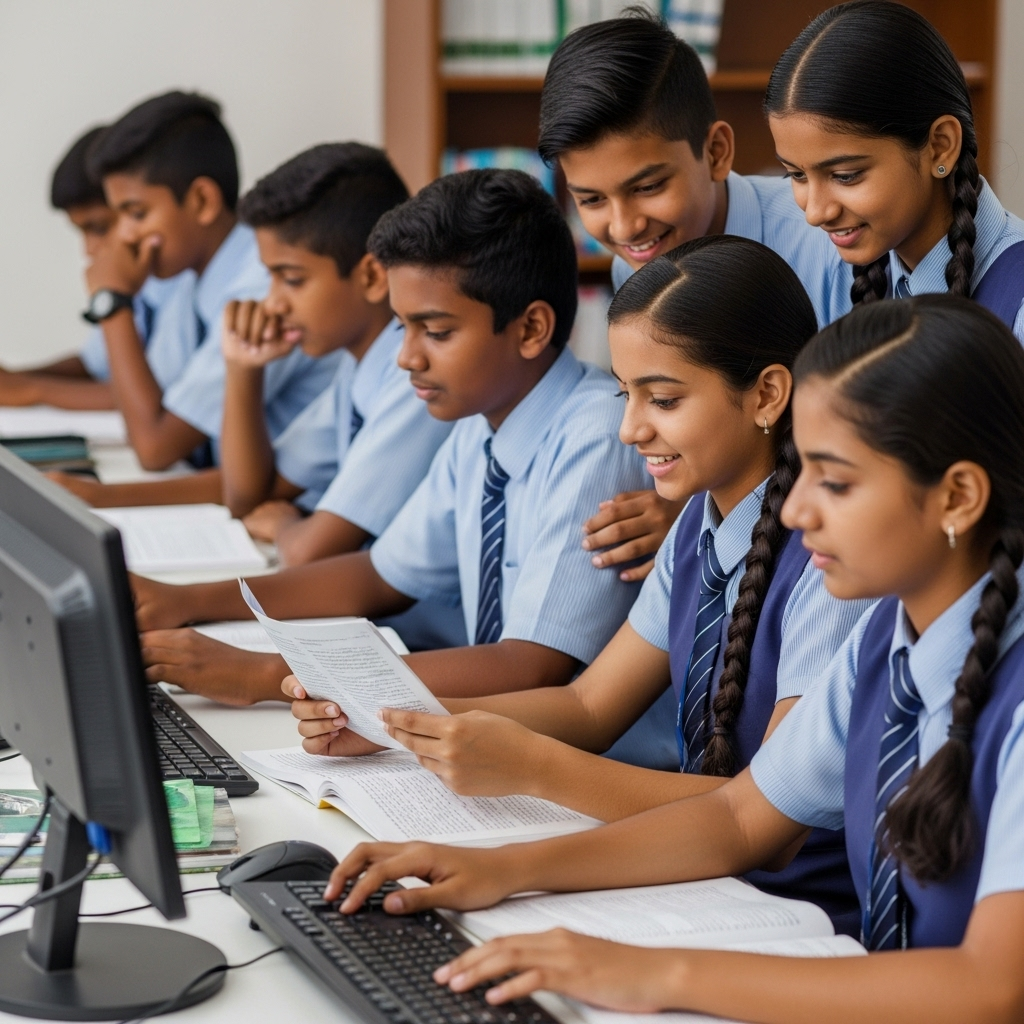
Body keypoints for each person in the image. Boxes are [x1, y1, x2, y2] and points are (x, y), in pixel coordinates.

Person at [328, 295, 1024, 1022]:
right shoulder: (886, 637)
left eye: (836, 482)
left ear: (958, 497)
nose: (793, 510)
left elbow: (993, 989)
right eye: (804, 471)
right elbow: (736, 816)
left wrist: (655, 975)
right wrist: (504, 871)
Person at [289, 236, 873, 923]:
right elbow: (592, 706)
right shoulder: (694, 527)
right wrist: (390, 725)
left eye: (663, 399)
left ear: (768, 394)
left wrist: (535, 766)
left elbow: (759, 819)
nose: (630, 429)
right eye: (627, 394)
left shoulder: (830, 568)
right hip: (690, 878)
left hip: (789, 915)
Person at [135, 169, 649, 712]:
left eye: (436, 332)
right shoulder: (480, 424)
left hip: (590, 766)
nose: (406, 357)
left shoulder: (595, 437)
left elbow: (531, 664)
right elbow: (377, 574)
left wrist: (269, 676)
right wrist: (186, 602)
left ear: (530, 329)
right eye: (403, 327)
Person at [539, 8, 852, 583]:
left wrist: (700, 511)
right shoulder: (635, 267)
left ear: (716, 152)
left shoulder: (827, 244)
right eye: (591, 200)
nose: (625, 225)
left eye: (649, 187)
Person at [65, 90, 339, 472]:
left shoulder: (263, 289)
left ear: (202, 202)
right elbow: (149, 403)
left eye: (137, 213)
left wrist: (113, 302)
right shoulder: (190, 280)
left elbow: (155, 446)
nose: (123, 236)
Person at [766, 0, 1024, 337]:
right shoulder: (842, 271)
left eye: (846, 176)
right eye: (796, 175)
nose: (815, 214)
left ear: (940, 147)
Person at [0, 126, 178, 410]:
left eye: (99, 227)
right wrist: (14, 381)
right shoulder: (142, 280)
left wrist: (31, 390)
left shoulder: (177, 279)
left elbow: (156, 399)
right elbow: (95, 364)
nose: (89, 250)